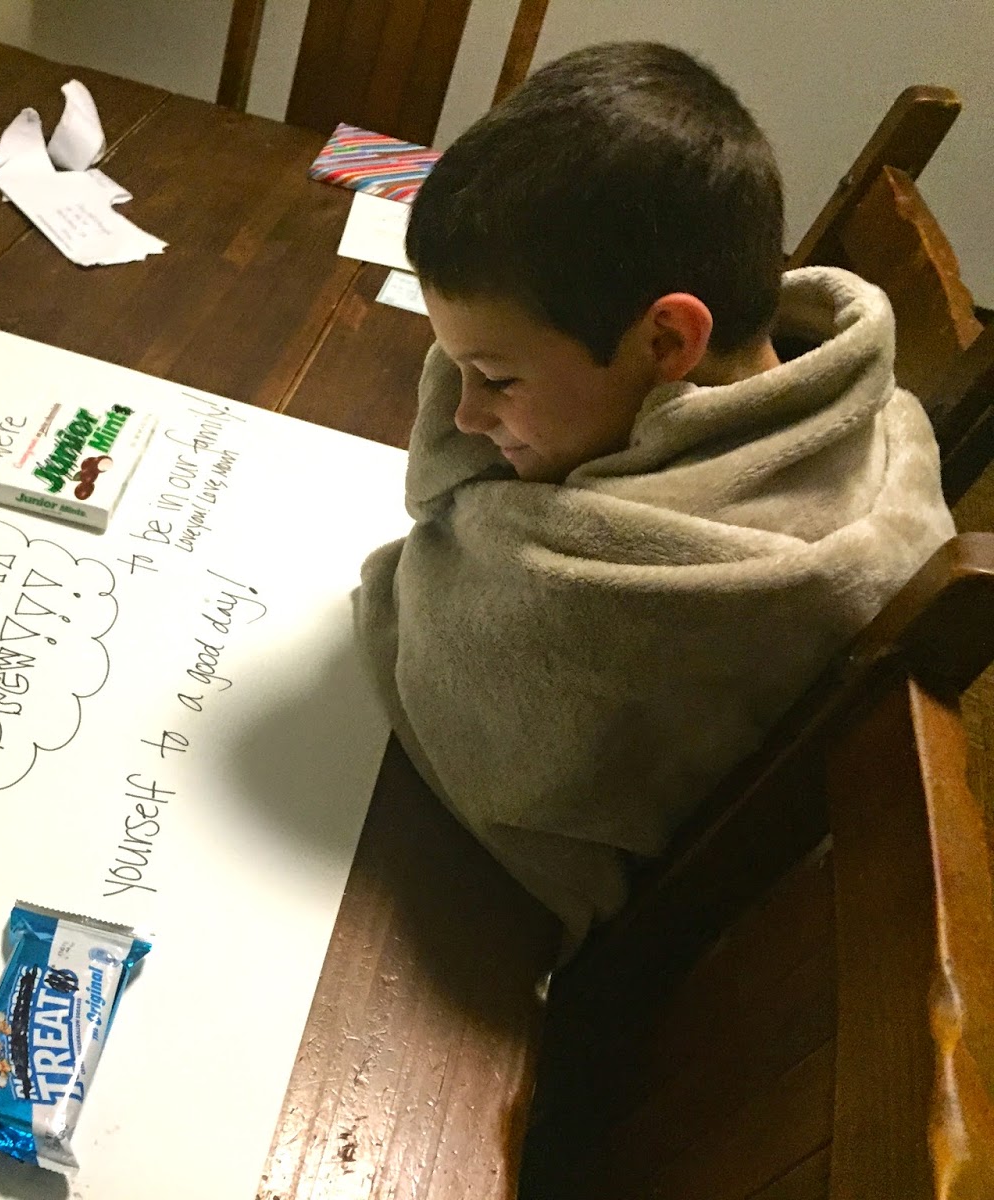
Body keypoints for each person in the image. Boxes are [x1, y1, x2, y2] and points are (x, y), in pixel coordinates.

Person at [355, 41, 954, 951]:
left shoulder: (700, 591)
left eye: (497, 378)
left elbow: (473, 716)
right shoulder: (806, 379)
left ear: (669, 343)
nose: (464, 415)